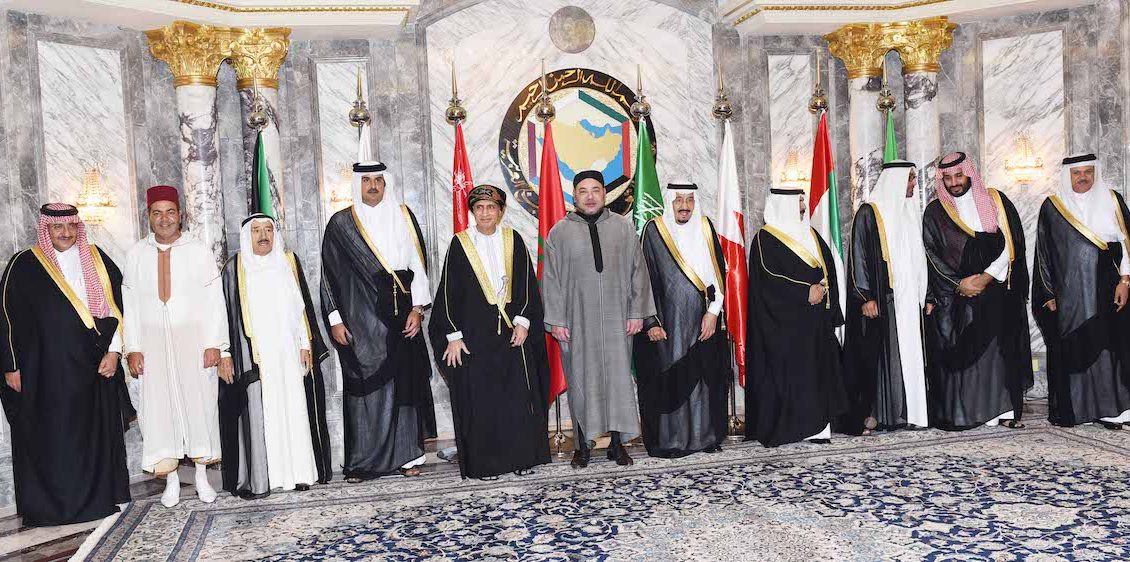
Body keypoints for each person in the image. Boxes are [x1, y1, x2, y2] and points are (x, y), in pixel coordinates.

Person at [0, 204, 132, 526]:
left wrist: (114, 353)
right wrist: (11, 366)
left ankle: (97, 501)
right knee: (53, 437)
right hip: (44, 372)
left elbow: (118, 309)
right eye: (57, 227)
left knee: (93, 437)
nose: (66, 233)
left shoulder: (97, 259)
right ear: (46, 229)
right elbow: (5, 318)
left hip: (93, 367)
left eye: (71, 226)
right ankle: (52, 508)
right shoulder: (24, 264)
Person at [320, 161, 436, 481]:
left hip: (403, 316)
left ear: (386, 184)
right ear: (357, 184)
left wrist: (418, 309)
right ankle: (364, 461)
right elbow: (328, 275)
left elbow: (417, 266)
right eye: (366, 180)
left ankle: (408, 456)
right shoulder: (341, 224)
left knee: (405, 385)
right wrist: (335, 319)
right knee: (365, 392)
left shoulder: (404, 216)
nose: (372, 186)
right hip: (360, 319)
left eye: (378, 180)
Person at [429, 184, 550, 480]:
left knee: (516, 400)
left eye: (491, 208)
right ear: (473, 212)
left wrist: (523, 322)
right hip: (474, 338)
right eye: (480, 208)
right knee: (482, 403)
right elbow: (448, 293)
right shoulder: (460, 243)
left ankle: (521, 458)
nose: (485, 213)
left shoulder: (513, 239)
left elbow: (527, 285)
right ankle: (487, 465)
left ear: (500, 211)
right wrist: (453, 335)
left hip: (512, 335)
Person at [542, 170, 655, 468]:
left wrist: (637, 313)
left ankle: (617, 445)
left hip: (619, 321)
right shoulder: (559, 233)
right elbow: (550, 280)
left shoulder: (623, 228)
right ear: (574, 196)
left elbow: (638, 272)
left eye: (595, 190)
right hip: (576, 323)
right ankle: (583, 447)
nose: (590, 196)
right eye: (583, 191)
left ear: (605, 193)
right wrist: (556, 320)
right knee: (581, 382)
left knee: (617, 382)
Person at [123, 185, 228, 508]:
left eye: (170, 212)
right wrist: (133, 348)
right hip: (152, 344)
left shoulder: (198, 250)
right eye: (157, 213)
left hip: (194, 342)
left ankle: (200, 478)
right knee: (159, 412)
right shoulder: (136, 254)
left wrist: (215, 344)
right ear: (148, 217)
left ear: (180, 215)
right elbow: (130, 305)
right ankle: (171, 482)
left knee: (199, 407)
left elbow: (215, 302)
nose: (164, 219)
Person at [219, 213, 332, 498]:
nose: (263, 235)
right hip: (256, 356)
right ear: (247, 236)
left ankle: (300, 473)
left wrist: (305, 343)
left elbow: (299, 308)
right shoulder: (235, 268)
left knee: (294, 409)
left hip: (288, 351)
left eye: (268, 230)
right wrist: (225, 352)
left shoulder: (287, 262)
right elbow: (224, 315)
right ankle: (269, 475)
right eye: (256, 230)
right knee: (265, 414)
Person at [924, 152, 1031, 430]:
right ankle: (971, 412)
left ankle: (1004, 412)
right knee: (969, 357)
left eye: (959, 175)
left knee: (998, 354)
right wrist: (958, 284)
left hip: (996, 290)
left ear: (969, 173)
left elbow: (1011, 244)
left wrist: (985, 278)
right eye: (948, 178)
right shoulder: (935, 211)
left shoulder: (996, 200)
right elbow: (930, 253)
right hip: (957, 297)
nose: (954, 183)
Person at [1033, 154, 1130, 428]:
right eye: (1077, 173)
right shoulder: (1053, 206)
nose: (1083, 177)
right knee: (1075, 348)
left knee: (1109, 347)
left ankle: (1114, 411)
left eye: (1088, 172)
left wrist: (1125, 282)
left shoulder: (1112, 200)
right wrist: (1048, 294)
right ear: (1068, 176)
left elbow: (1126, 245)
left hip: (1107, 288)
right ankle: (1077, 410)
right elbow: (1043, 253)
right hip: (1069, 295)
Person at [746, 187, 847, 447]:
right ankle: (792, 428)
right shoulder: (764, 239)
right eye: (799, 201)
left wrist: (829, 302)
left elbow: (828, 269)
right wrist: (804, 293)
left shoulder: (811, 234)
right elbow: (768, 280)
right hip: (784, 329)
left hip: (816, 325)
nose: (803, 206)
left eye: (803, 200)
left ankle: (819, 430)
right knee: (793, 379)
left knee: (818, 376)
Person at [634, 182, 730, 457]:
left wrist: (713, 312)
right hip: (668, 322)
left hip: (703, 318)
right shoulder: (654, 231)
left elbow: (718, 274)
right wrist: (651, 322)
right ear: (670, 202)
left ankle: (705, 437)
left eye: (689, 200)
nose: (684, 206)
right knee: (672, 377)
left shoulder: (705, 227)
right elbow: (643, 279)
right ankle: (672, 440)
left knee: (703, 378)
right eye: (678, 200)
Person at [842, 162, 930, 434]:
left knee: (908, 356)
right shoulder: (869, 213)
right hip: (882, 300)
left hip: (908, 300)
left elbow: (919, 258)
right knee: (881, 358)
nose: (914, 184)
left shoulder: (909, 212)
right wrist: (865, 296)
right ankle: (879, 414)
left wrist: (926, 294)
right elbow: (858, 256)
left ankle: (910, 412)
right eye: (910, 179)